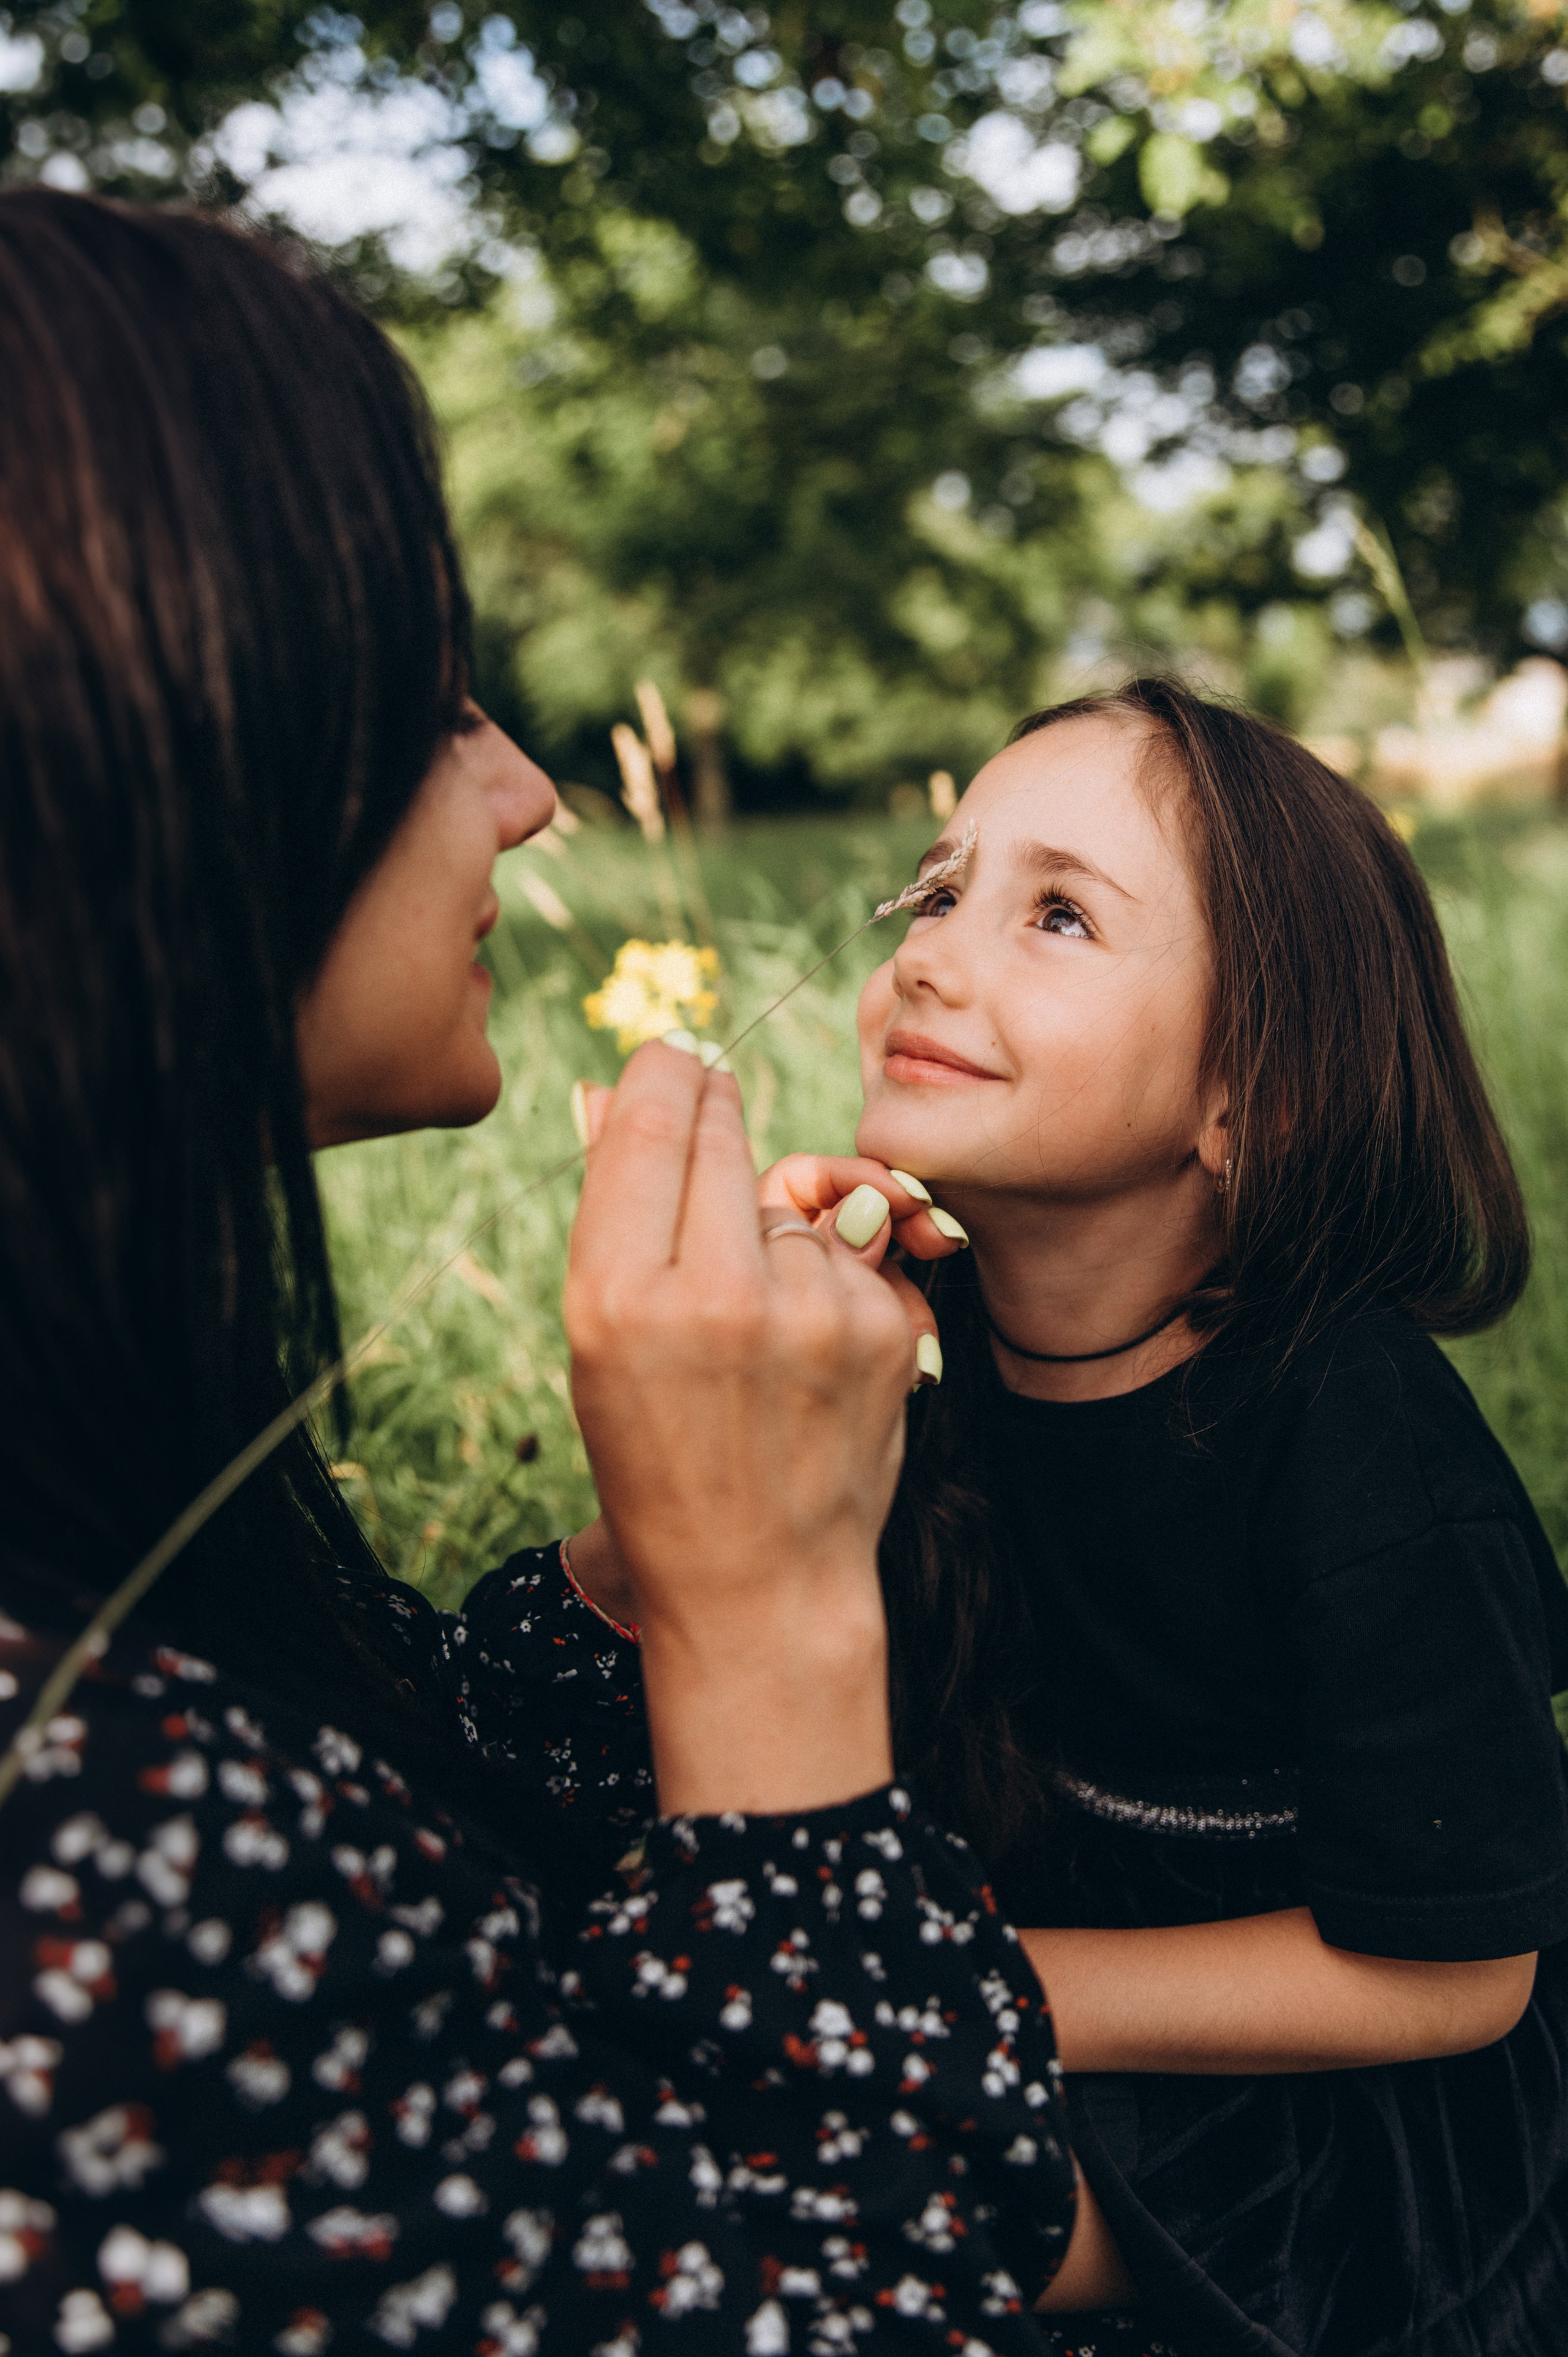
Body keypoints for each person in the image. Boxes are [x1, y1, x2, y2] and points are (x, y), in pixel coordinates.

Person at [0, 192, 1143, 2354]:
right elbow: (891, 2304)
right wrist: (767, 1623)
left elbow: (412, 1888)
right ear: (151, 767)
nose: (524, 793)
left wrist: (643, 1567)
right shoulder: (66, 1835)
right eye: (424, 701)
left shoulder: (100, 1522)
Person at [565, 681, 1568, 2354]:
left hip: (1338, 2130)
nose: (934, 957)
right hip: (1045, 1999)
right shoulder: (910, 1338)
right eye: (940, 892)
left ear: (1259, 1099)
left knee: (776, 2192)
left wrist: (956, 1991)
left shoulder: (1355, 1434)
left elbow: (1461, 1976)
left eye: (1058, 915)